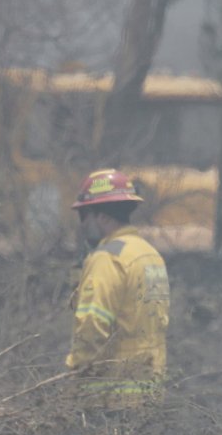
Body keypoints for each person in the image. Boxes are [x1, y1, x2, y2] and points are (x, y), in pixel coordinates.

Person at [66, 168, 171, 404]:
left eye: (85, 216)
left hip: (111, 394)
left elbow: (93, 323)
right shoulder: (148, 254)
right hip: (149, 387)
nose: (82, 225)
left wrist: (78, 372)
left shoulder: (108, 258)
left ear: (102, 217)